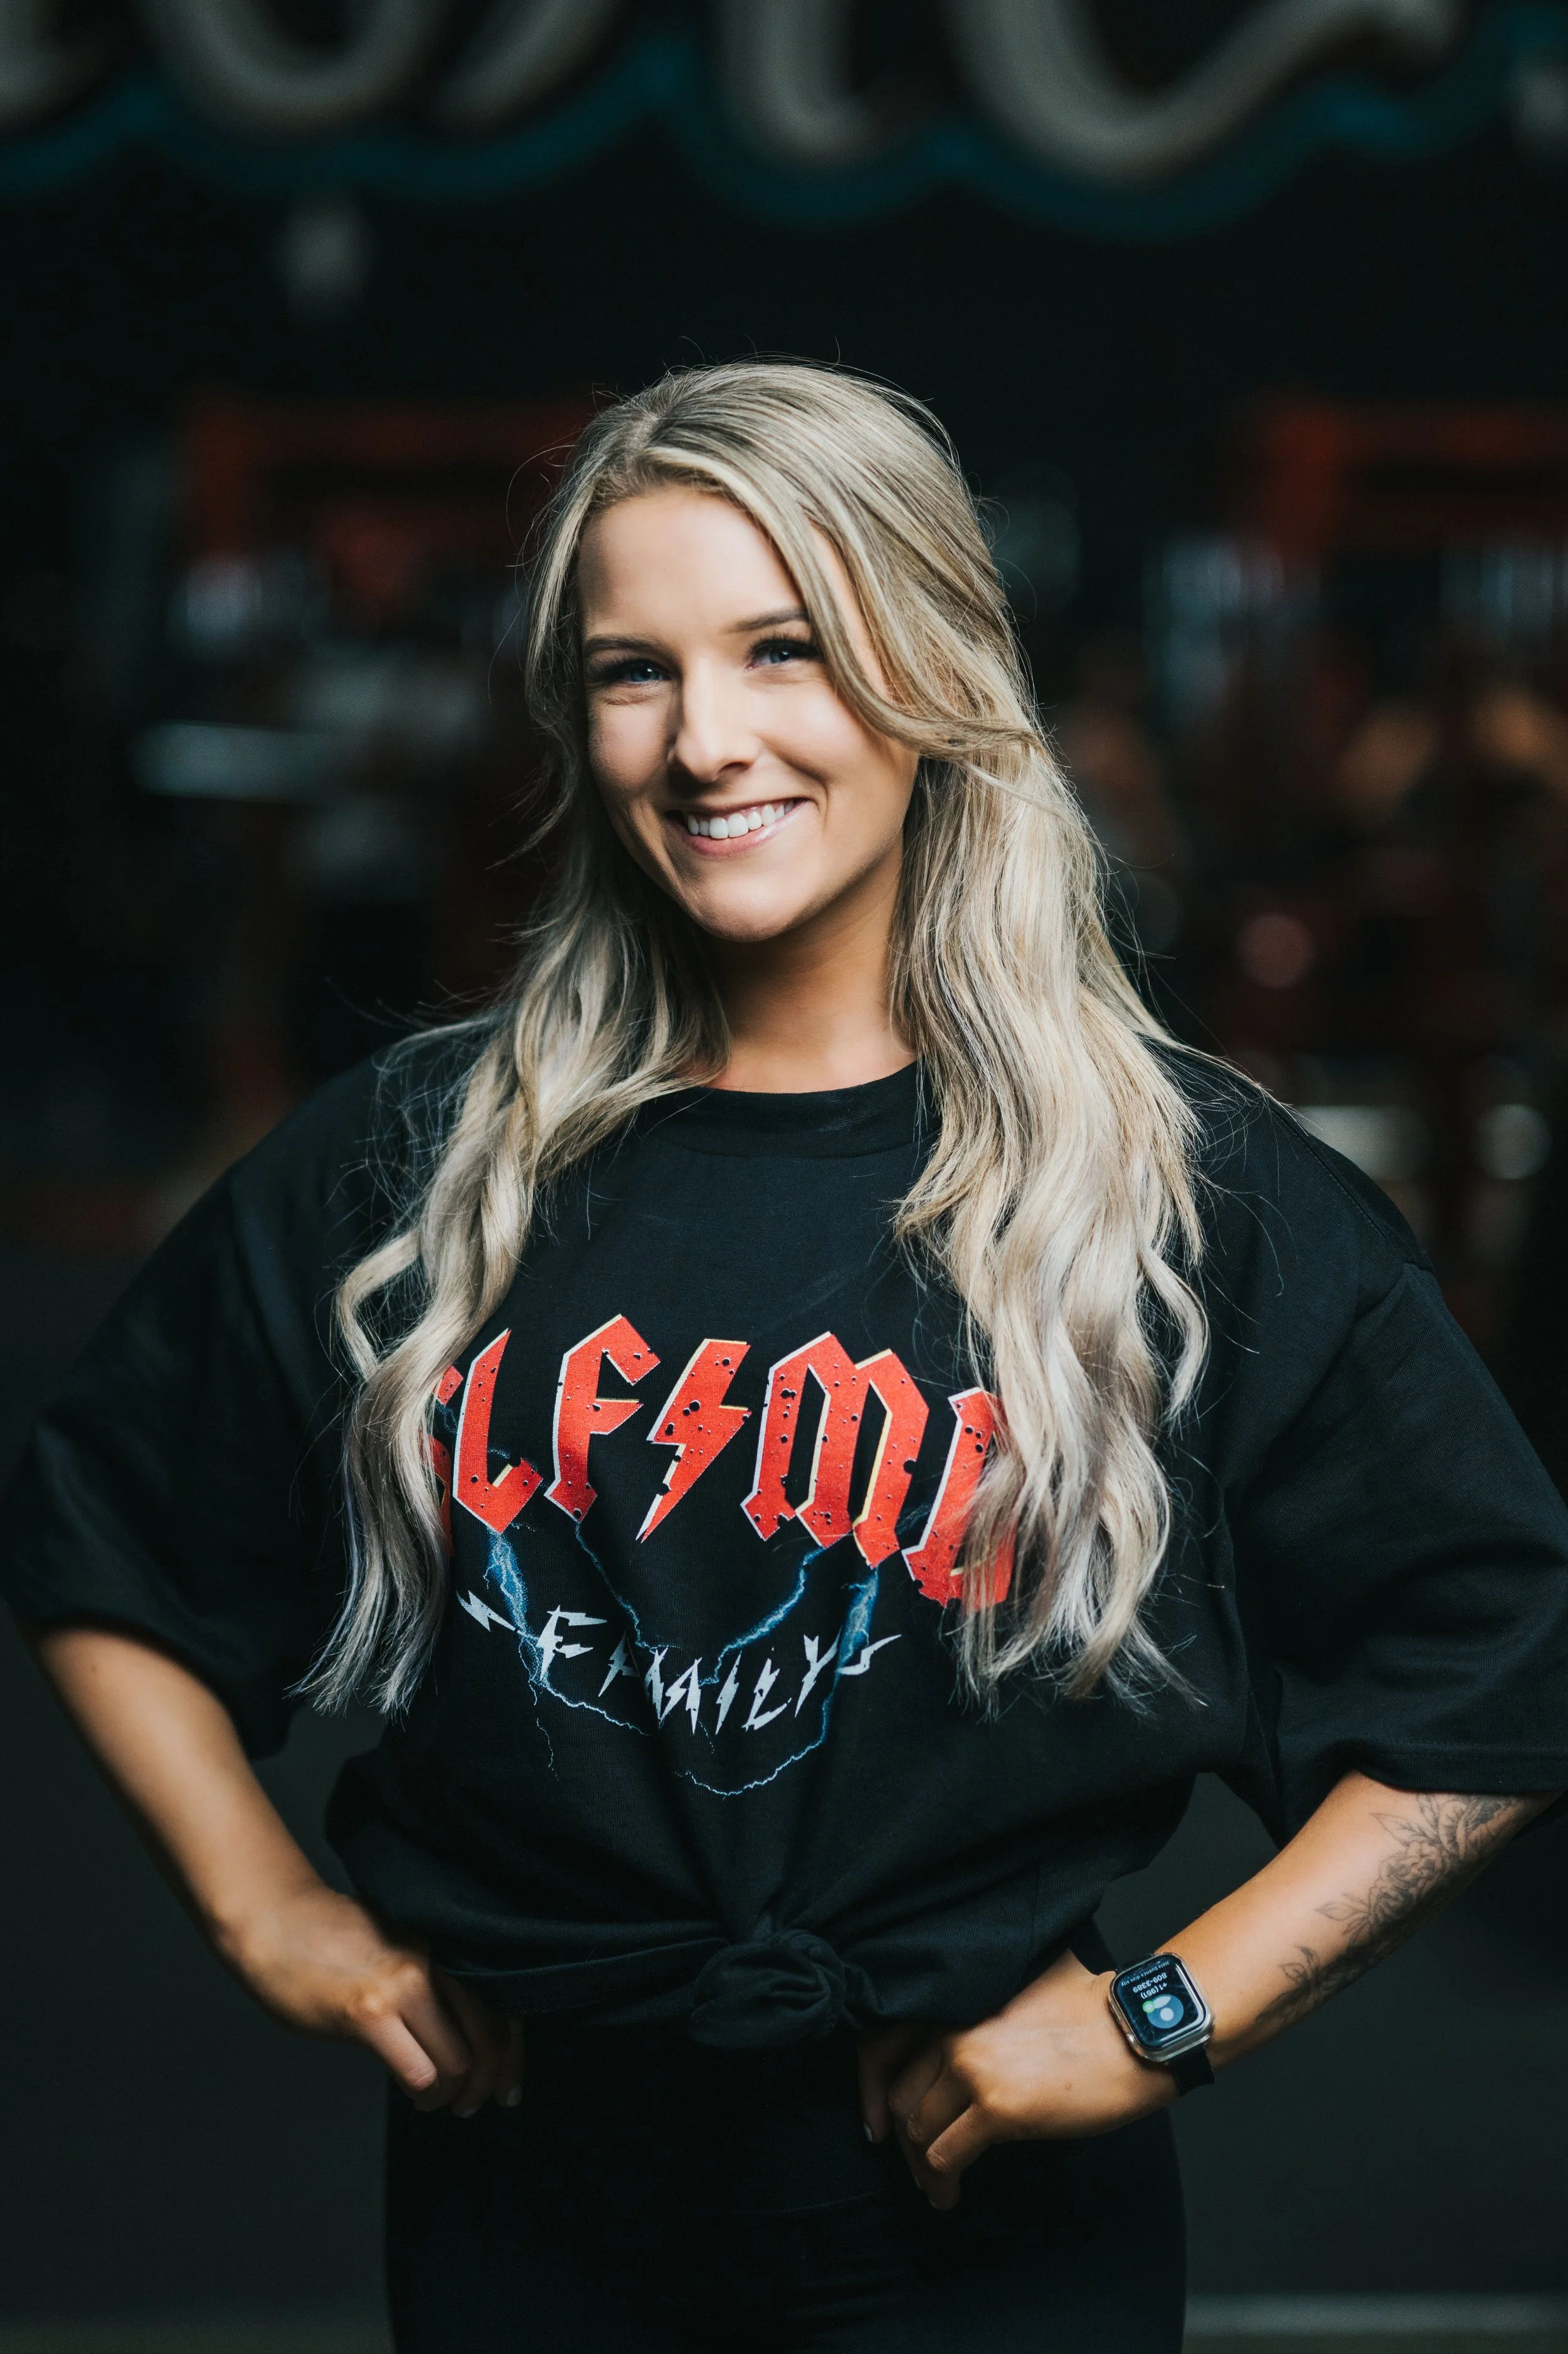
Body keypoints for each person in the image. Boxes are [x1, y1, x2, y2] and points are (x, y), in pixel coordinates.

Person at [6, 363, 1568, 2354]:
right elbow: (107, 1546)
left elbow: (1495, 1677)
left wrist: (1162, 2019)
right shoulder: (421, 1163)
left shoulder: (1179, 1194)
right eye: (630, 670)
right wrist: (271, 1911)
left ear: (930, 668)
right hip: (520, 2200)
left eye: (784, 649)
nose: (704, 739)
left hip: (982, 2202)